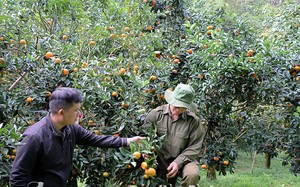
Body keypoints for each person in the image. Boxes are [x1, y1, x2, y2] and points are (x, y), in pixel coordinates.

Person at [10, 87, 145, 187]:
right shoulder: (34, 137)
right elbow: (17, 178)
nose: (79, 115)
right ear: (61, 112)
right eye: (76, 110)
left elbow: (96, 139)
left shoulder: (70, 129)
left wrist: (128, 141)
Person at [142, 83, 206, 187]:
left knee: (192, 174)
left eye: (182, 107)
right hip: (159, 158)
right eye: (176, 106)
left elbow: (194, 147)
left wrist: (178, 162)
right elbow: (143, 136)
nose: (178, 110)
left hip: (184, 159)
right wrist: (145, 150)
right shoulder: (156, 114)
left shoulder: (193, 121)